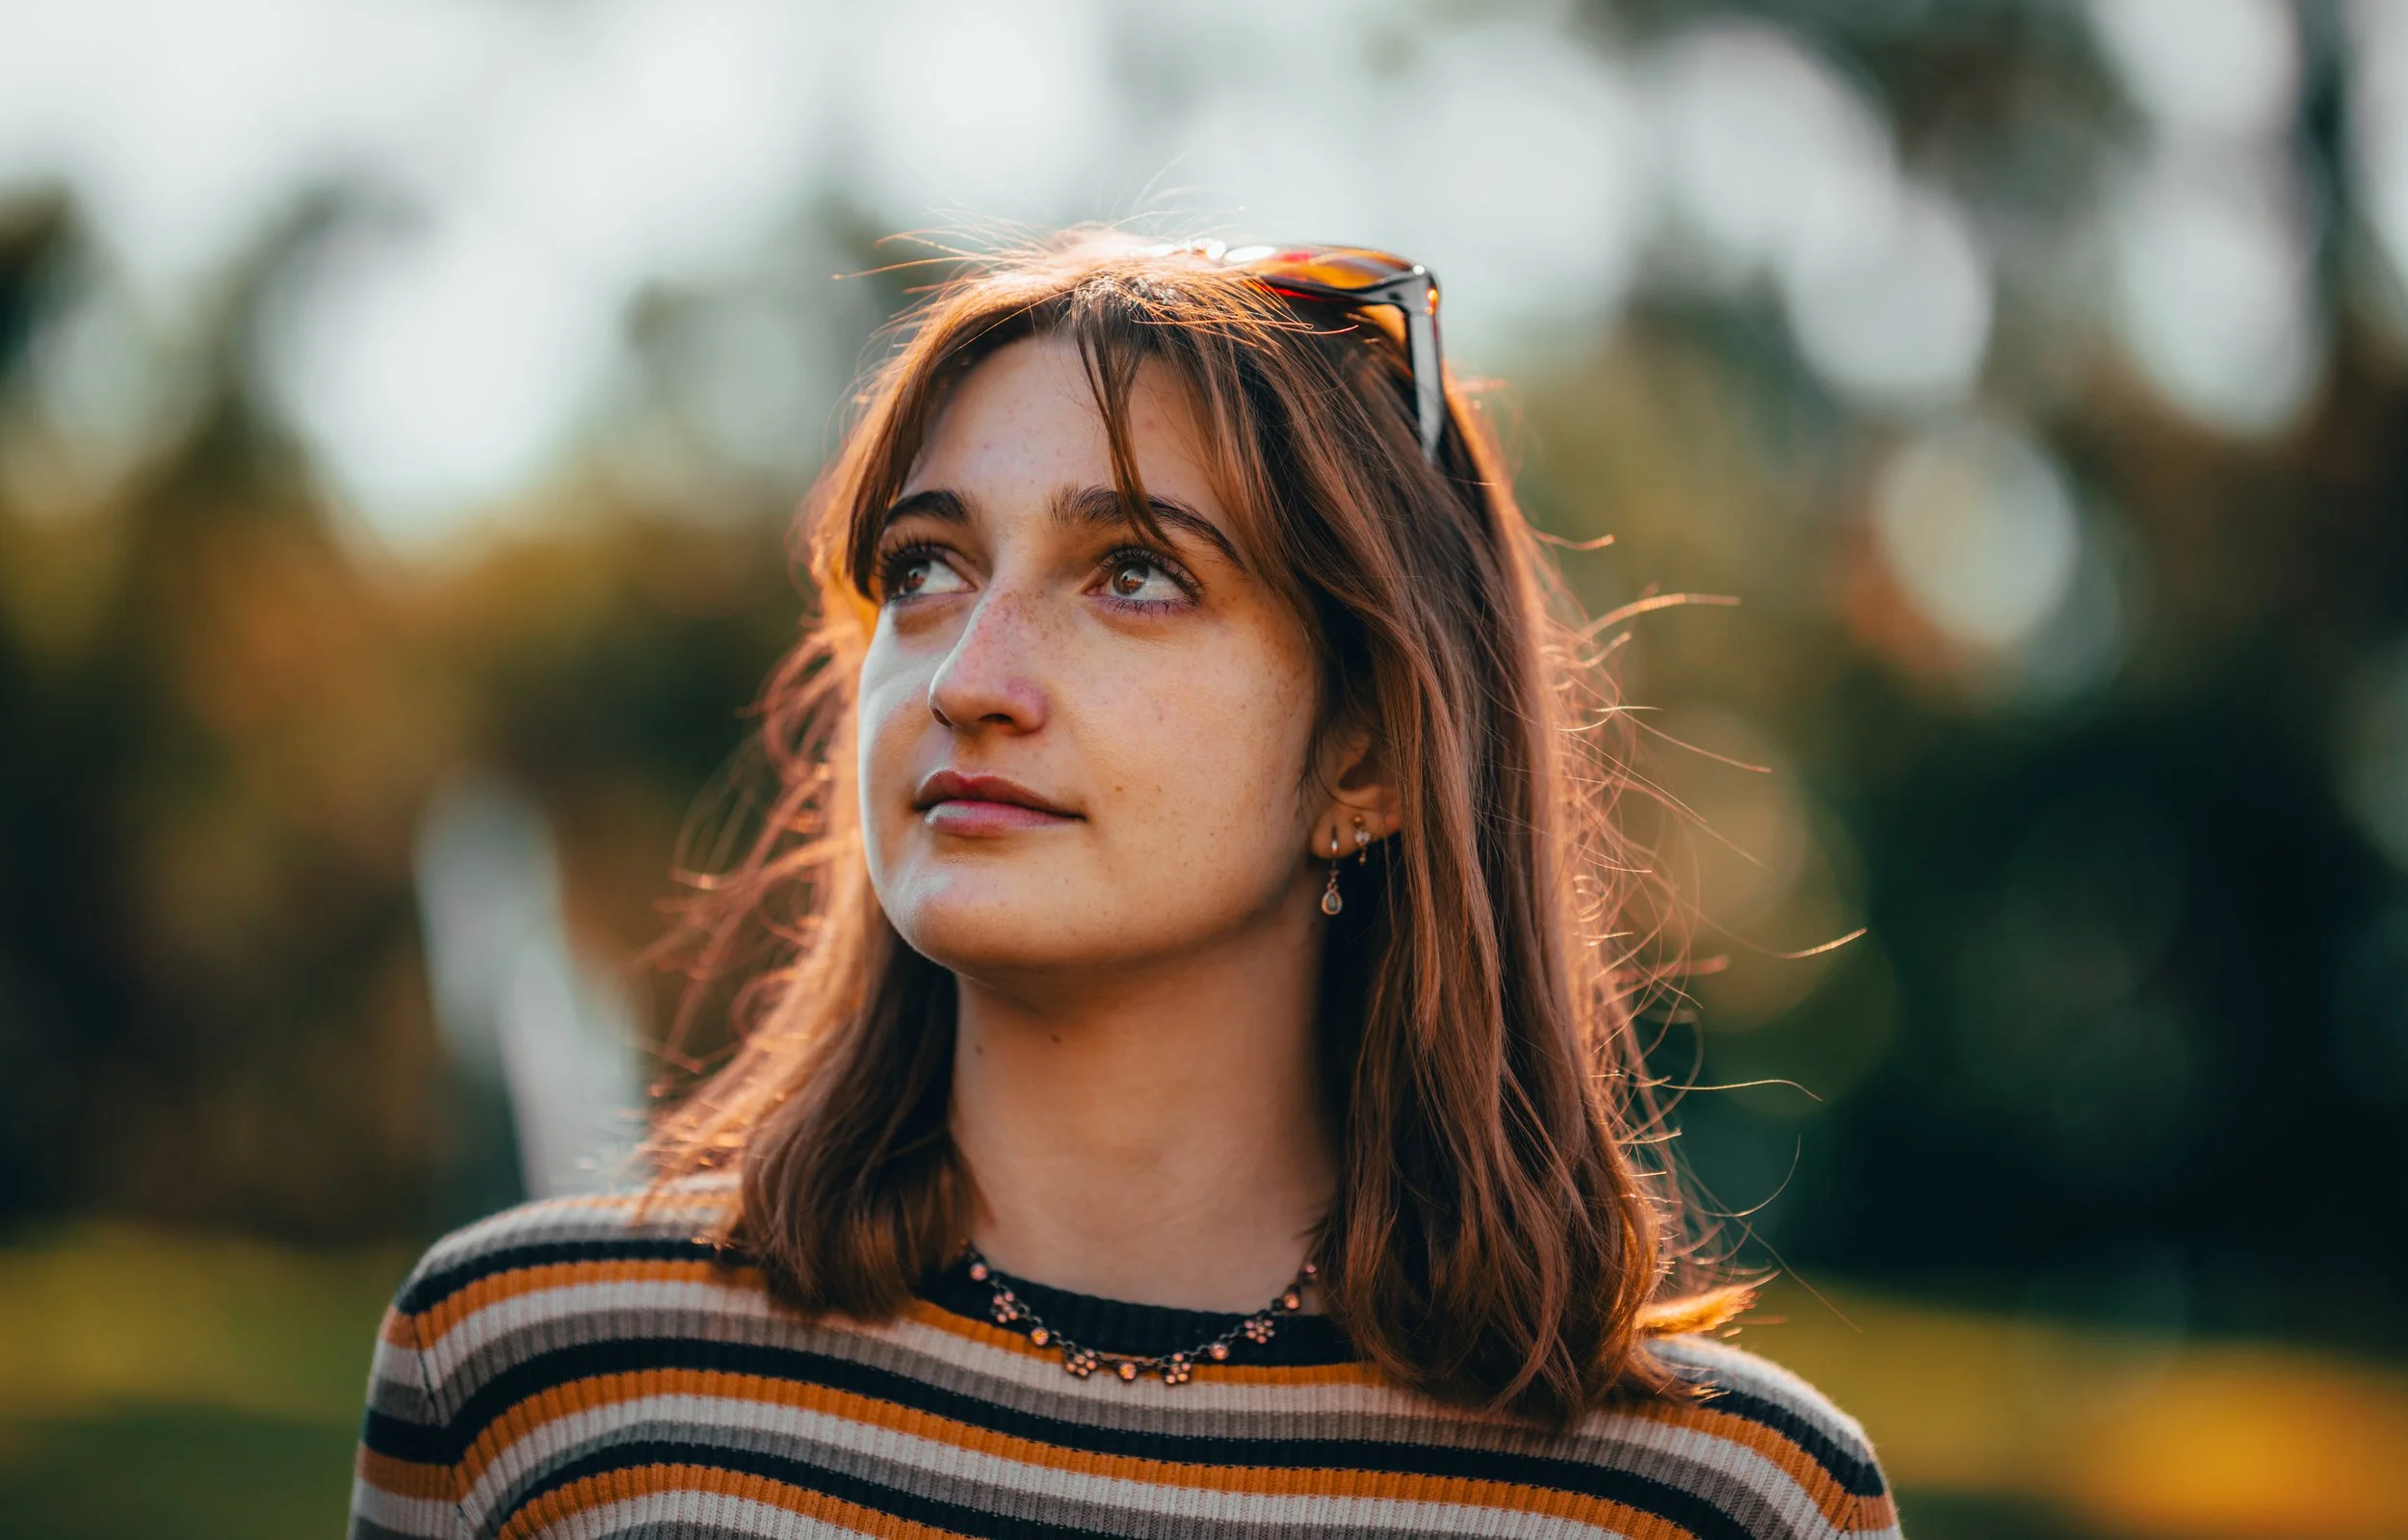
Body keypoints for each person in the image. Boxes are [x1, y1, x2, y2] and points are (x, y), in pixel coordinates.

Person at [348, 234, 1900, 1539]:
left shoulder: (1720, 1503)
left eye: (1134, 573)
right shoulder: (526, 1369)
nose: (970, 677)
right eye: (924, 566)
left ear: (1367, 751)